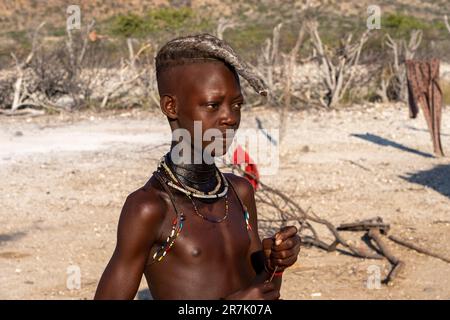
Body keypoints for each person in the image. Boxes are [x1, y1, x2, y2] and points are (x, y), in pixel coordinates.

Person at [94, 34, 301, 300]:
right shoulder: (150, 208)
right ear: (171, 107)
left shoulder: (239, 192)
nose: (229, 117)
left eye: (236, 105)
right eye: (213, 105)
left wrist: (275, 264)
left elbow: (262, 290)